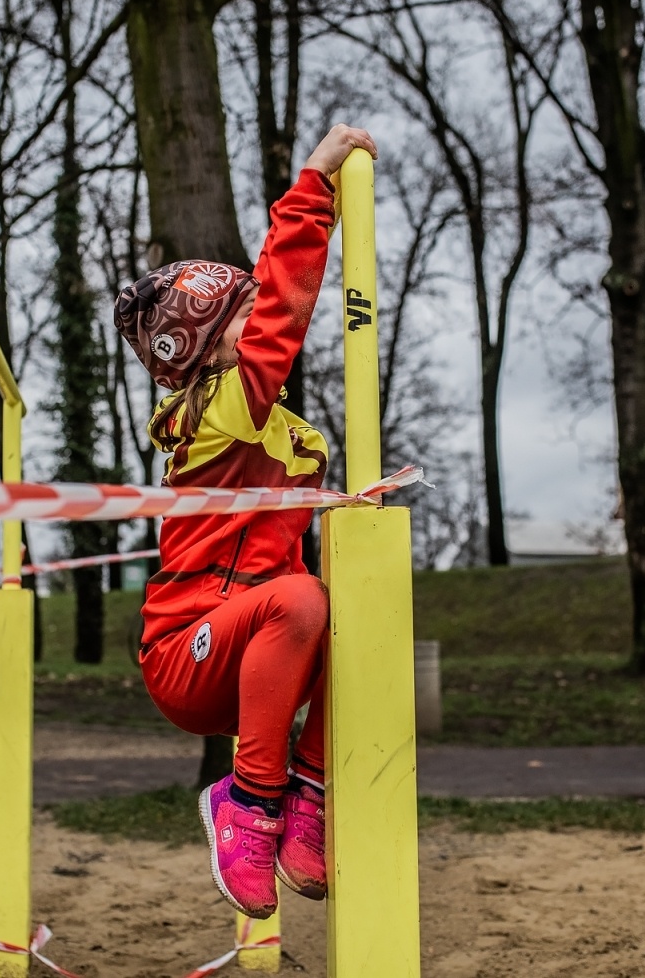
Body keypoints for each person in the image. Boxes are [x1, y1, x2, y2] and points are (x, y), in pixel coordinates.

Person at [113, 124, 378, 919]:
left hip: (259, 650)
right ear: (204, 352)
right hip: (187, 656)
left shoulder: (284, 436)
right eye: (240, 316)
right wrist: (312, 192)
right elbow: (279, 327)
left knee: (348, 611)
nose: (261, 316)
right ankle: (247, 806)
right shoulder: (213, 417)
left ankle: (309, 800)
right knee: (301, 598)